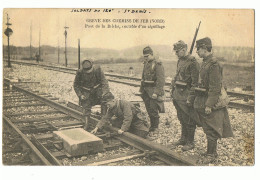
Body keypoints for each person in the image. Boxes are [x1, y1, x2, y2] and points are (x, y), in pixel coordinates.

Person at [194, 37, 233, 163]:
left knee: (212, 128)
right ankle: (209, 152)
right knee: (207, 127)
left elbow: (215, 87)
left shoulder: (214, 64)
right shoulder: (206, 62)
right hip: (205, 98)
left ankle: (212, 154)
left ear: (205, 48)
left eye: (198, 49)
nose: (197, 52)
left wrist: (209, 105)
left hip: (212, 101)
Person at [171, 40, 200, 151]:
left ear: (184, 50)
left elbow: (195, 83)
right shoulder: (180, 61)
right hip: (178, 95)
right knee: (182, 118)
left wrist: (191, 98)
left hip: (186, 95)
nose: (176, 53)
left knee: (189, 119)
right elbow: (177, 76)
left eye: (177, 51)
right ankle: (183, 139)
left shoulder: (193, 62)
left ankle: (190, 142)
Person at [74, 59, 114, 130]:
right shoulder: (79, 72)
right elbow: (76, 85)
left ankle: (104, 119)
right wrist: (80, 95)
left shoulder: (98, 70)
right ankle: (87, 123)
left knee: (105, 99)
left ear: (92, 66)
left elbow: (104, 82)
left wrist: (104, 93)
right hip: (86, 92)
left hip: (97, 91)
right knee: (85, 104)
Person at [139, 46, 165, 132]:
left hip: (153, 91)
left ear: (151, 54)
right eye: (144, 56)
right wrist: (141, 90)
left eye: (147, 56)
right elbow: (143, 77)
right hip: (146, 91)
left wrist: (156, 93)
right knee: (149, 109)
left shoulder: (157, 64)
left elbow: (161, 80)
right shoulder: (146, 63)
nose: (146, 58)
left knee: (154, 109)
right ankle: (152, 126)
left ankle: (155, 127)